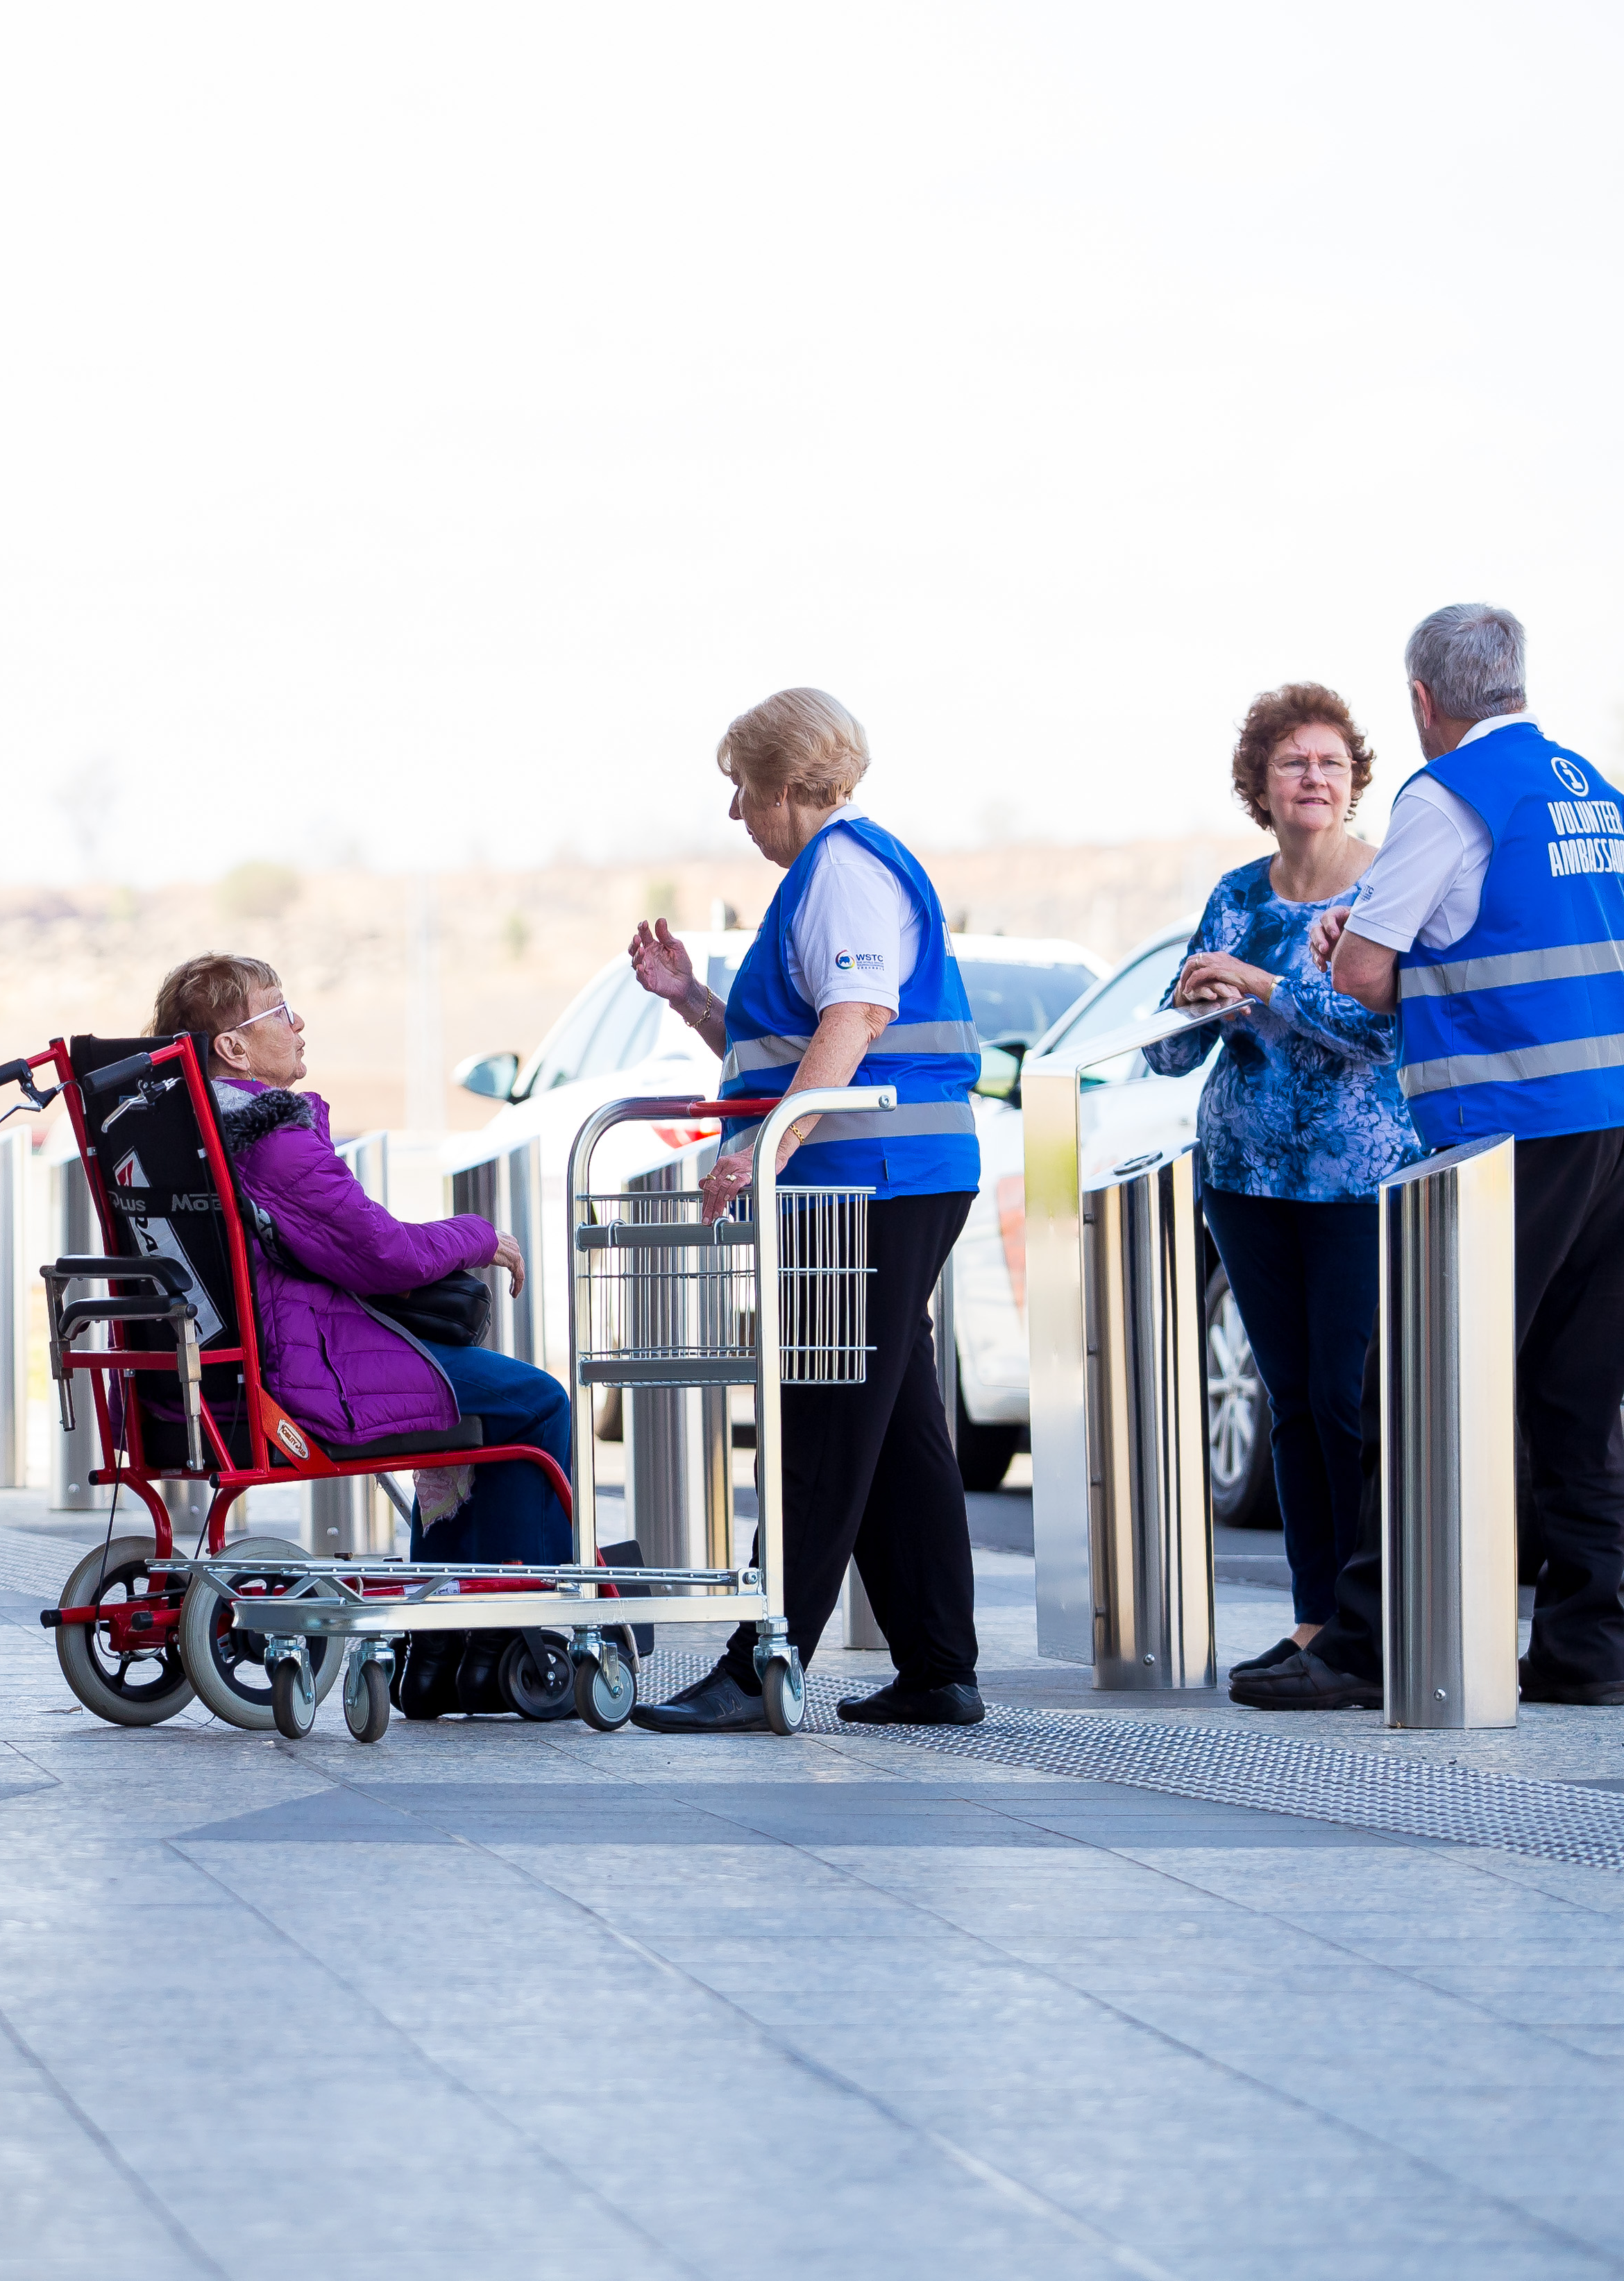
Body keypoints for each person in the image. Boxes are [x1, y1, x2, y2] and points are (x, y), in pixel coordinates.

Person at [1246, 603, 1624, 1711]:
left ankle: (1367, 1642)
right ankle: (1586, 1648)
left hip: (1517, 1129)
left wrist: (1351, 943)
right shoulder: (1583, 782)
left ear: (1425, 702)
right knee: (1579, 1398)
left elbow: (1366, 978)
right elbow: (1576, 893)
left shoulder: (1443, 798)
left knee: (1420, 1381)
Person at [623, 686, 989, 1729]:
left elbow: (857, 1018)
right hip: (880, 1180)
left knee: (820, 1415)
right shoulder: (830, 877)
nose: (737, 815)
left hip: (872, 1184)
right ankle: (937, 1665)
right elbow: (784, 1051)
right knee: (893, 1422)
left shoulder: (843, 869)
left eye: (742, 790)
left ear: (787, 786)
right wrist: (693, 1000)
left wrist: (768, 1148)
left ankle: (760, 1662)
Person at [1141, 684, 1423, 1681]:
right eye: (1294, 762)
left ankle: (1370, 1623)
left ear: (1354, 784)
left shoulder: (1387, 887)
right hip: (1246, 1178)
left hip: (1357, 1183)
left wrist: (1261, 985)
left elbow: (1375, 1028)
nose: (1314, 778)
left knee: (1351, 1406)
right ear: (1260, 782)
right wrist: (1187, 1004)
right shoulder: (1234, 895)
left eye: (1332, 763)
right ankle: (1315, 1621)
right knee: (1293, 1404)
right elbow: (1170, 1061)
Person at [142, 953, 558, 1563]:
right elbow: (384, 1254)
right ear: (233, 1047)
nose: (299, 1022)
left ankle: (457, 1634)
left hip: (198, 1383)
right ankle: (521, 1611)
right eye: (280, 1011)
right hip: (300, 1379)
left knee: (482, 1396)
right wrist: (478, 1236)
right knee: (534, 1403)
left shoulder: (172, 1137)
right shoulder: (270, 1140)